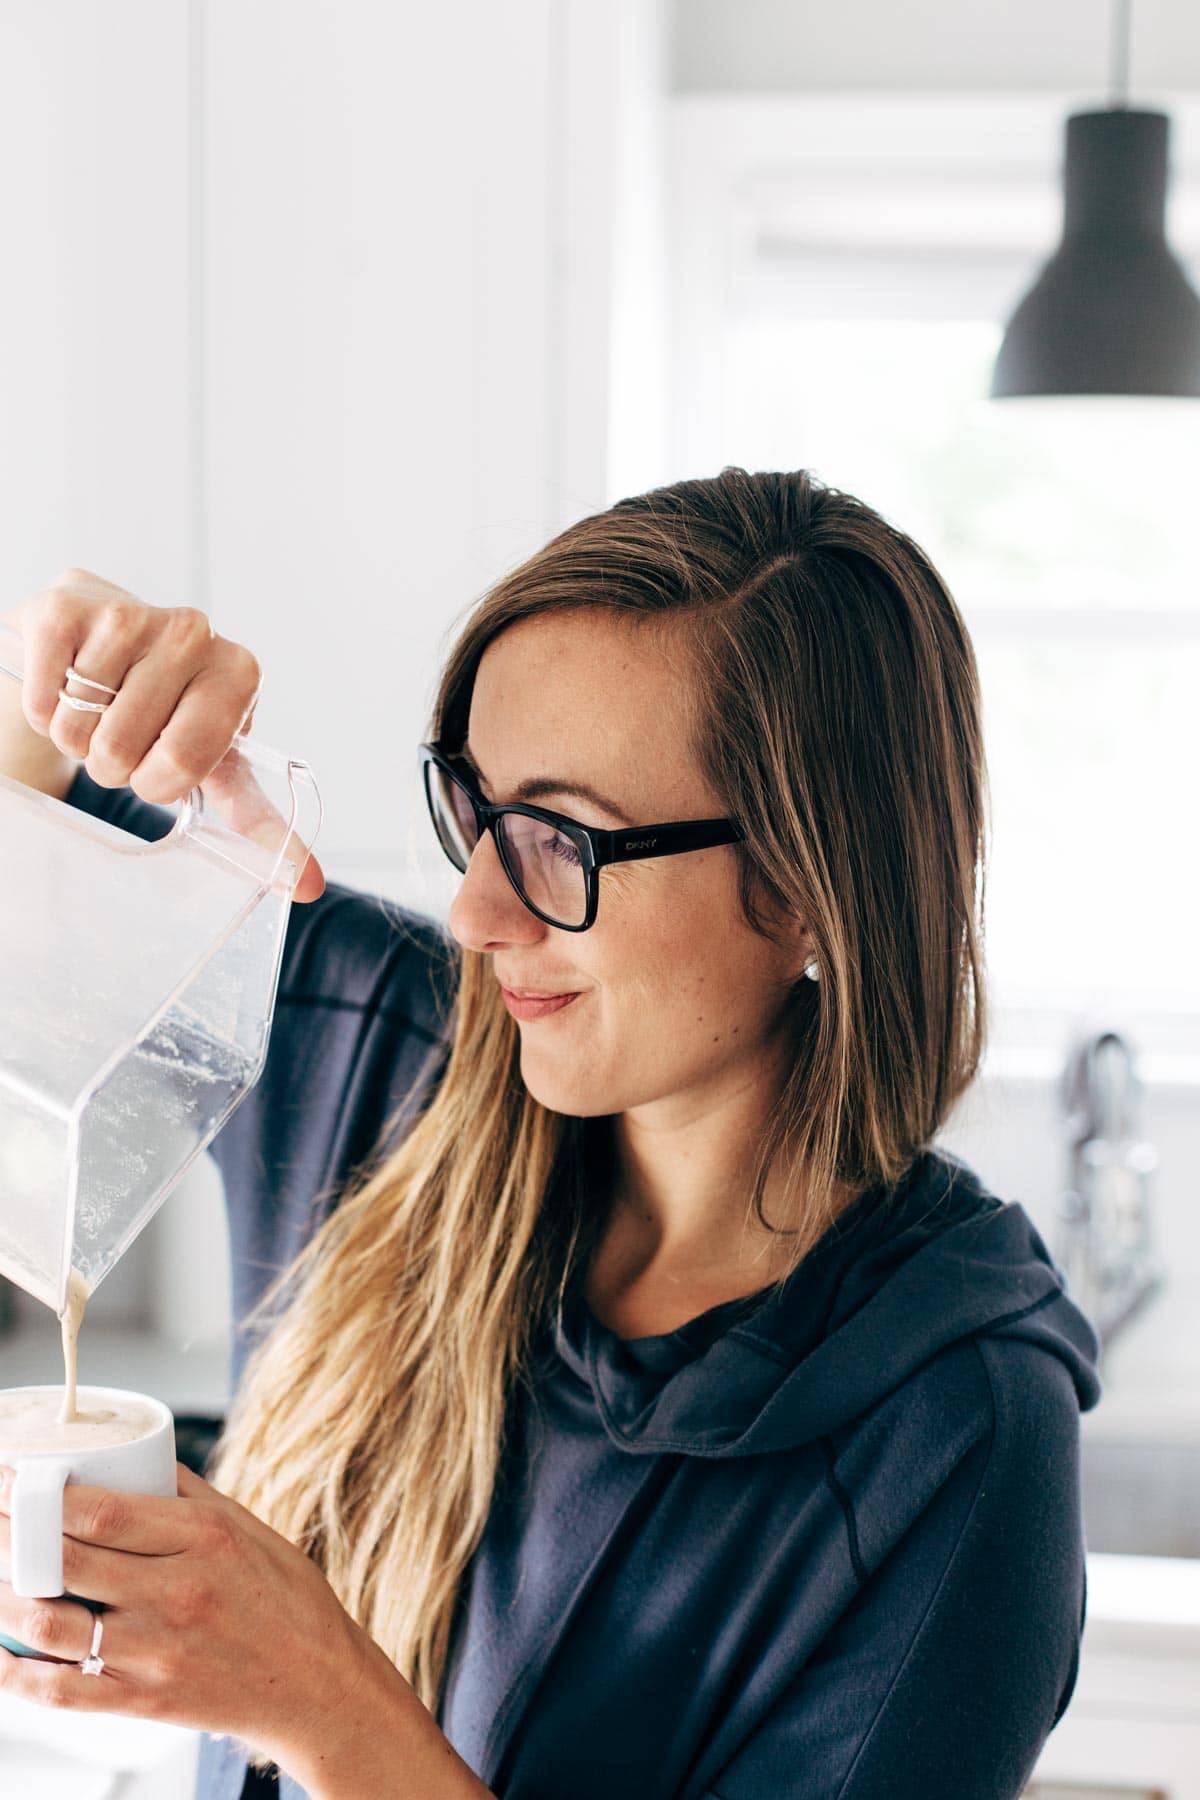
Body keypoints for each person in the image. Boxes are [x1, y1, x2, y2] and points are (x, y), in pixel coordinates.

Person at [0, 467, 1101, 1800]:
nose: (473, 912)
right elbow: (32, 824)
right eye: (474, 805)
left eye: (561, 838)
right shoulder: (395, 1056)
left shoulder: (952, 1444)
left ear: (814, 887)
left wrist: (323, 1705)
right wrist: (46, 670)